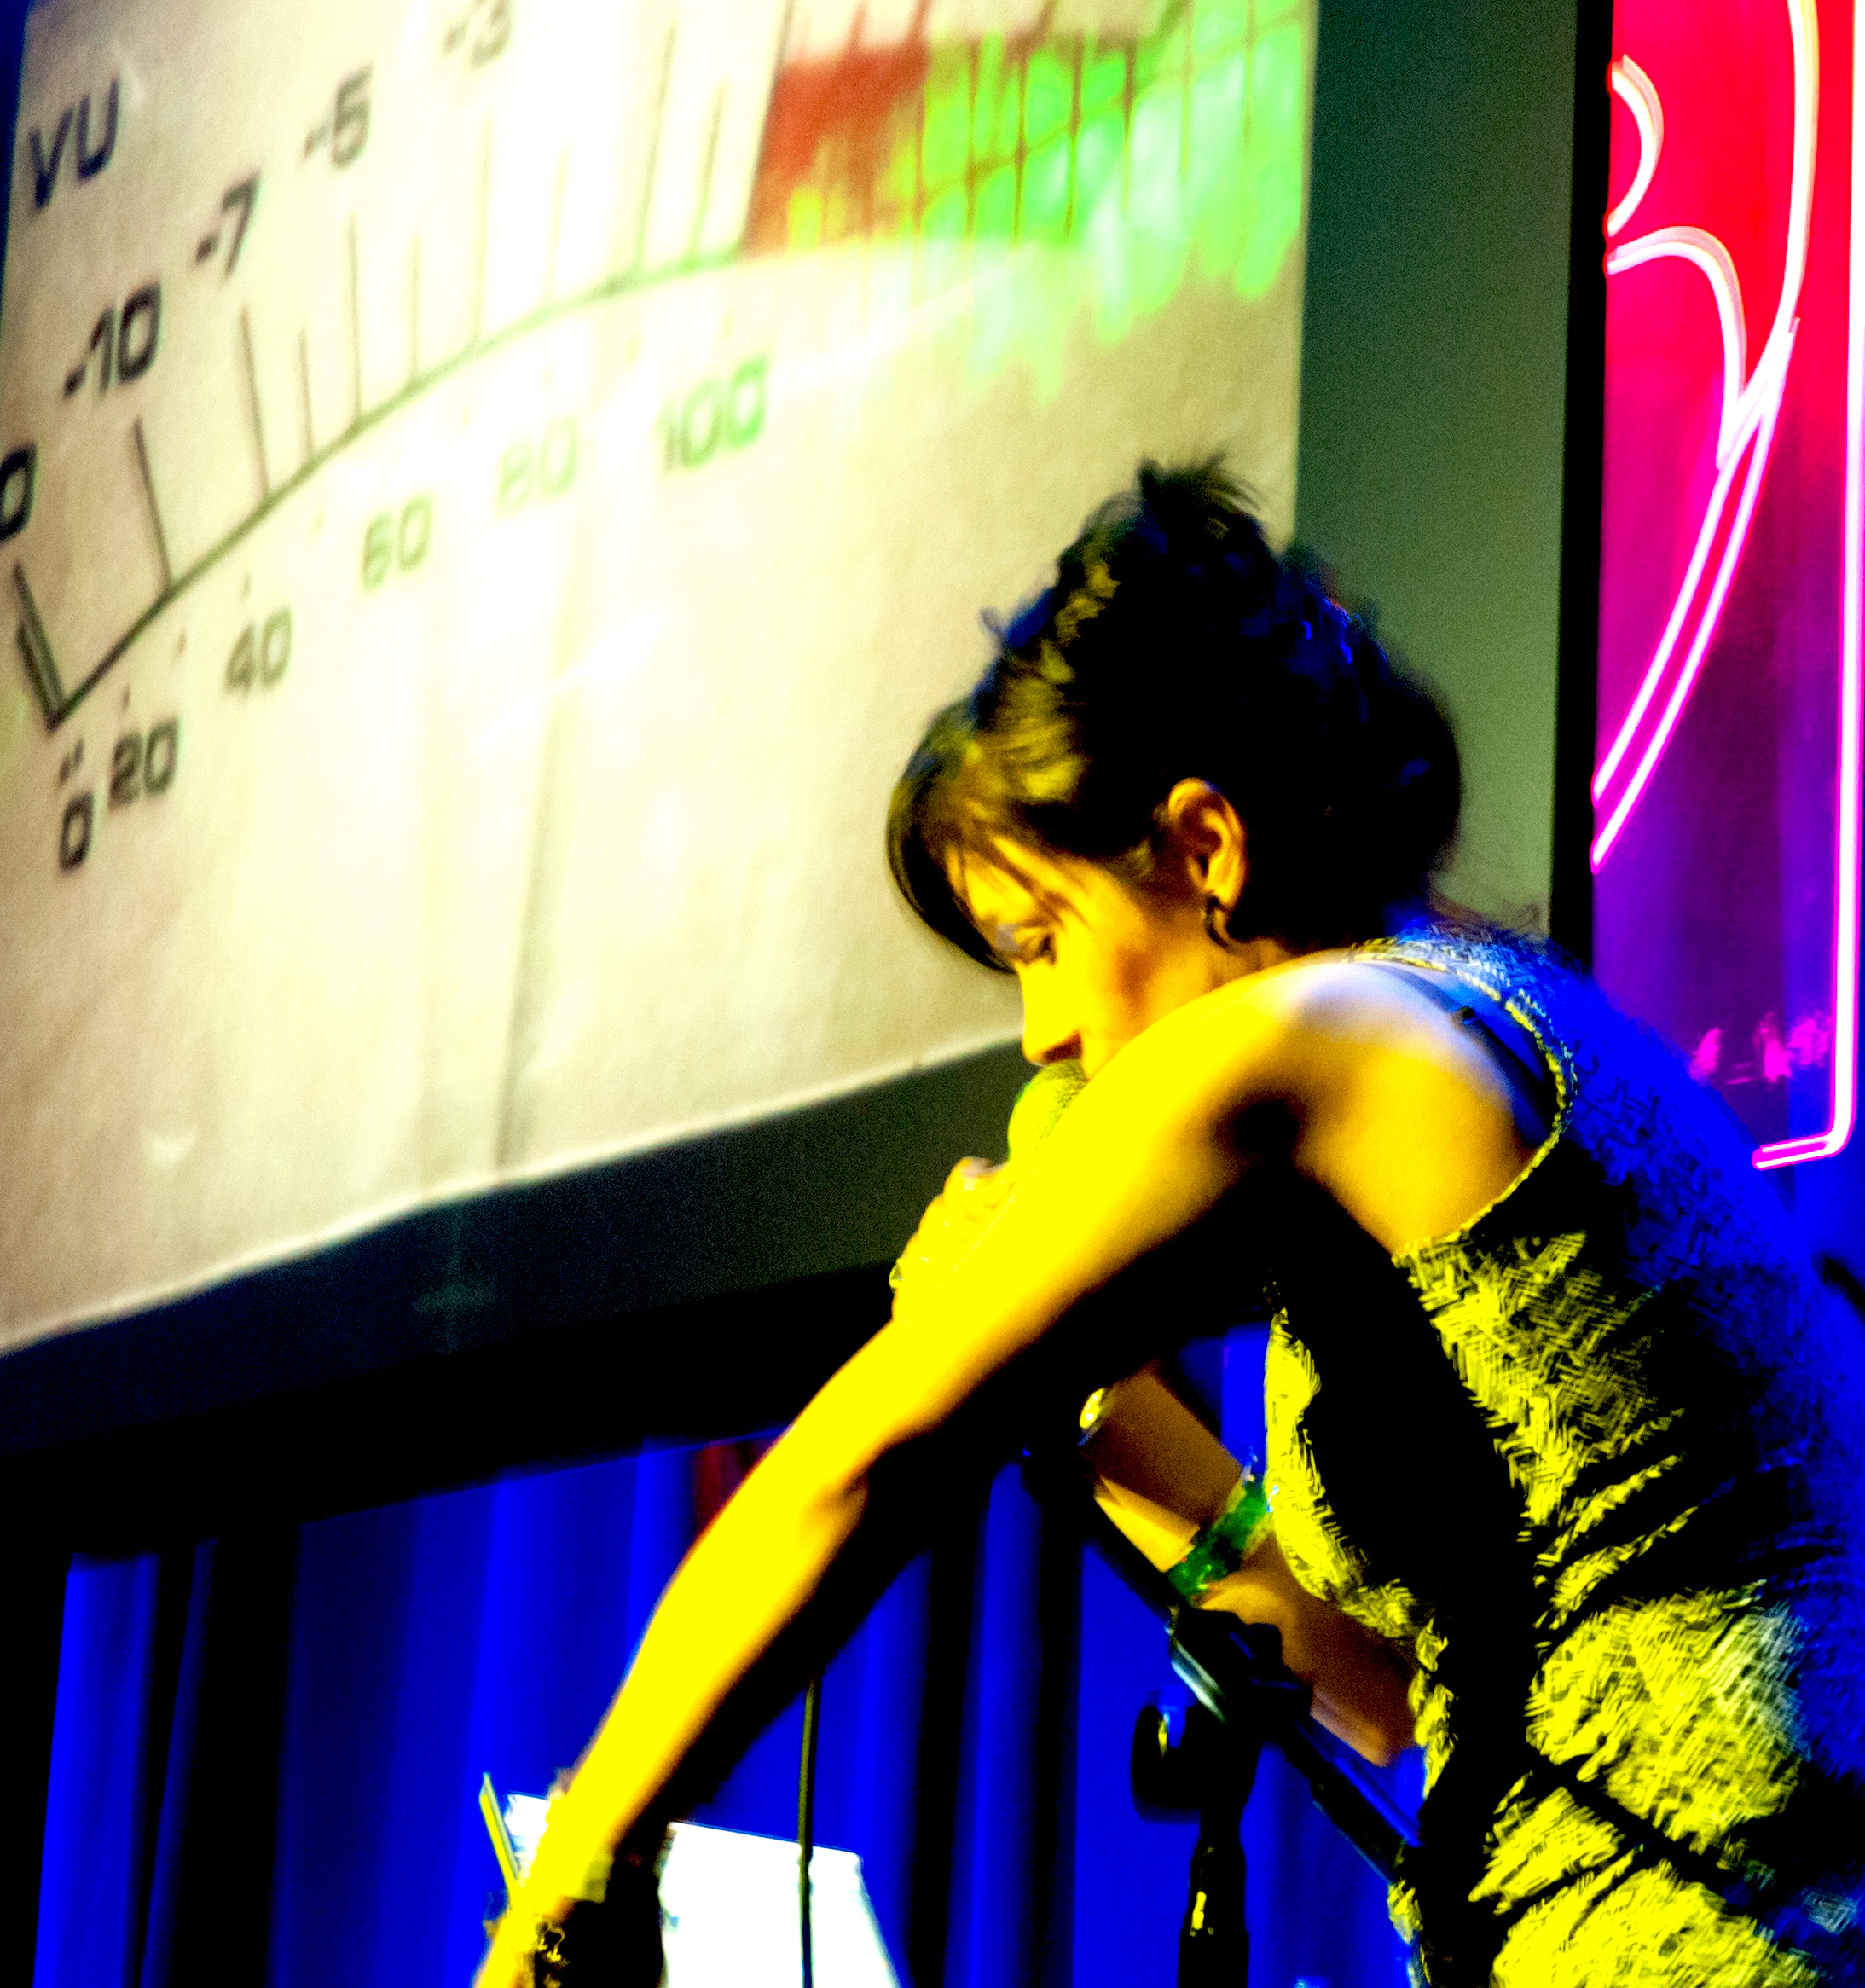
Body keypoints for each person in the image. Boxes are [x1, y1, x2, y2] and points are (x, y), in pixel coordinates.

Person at [478, 461, 1865, 1988]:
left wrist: (571, 1893)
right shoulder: (1451, 1032)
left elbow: (860, 1458)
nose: (1040, 1032)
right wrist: (1102, 1414)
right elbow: (1379, 1692)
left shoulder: (1308, 1037)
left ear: (1205, 850)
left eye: (1044, 940)